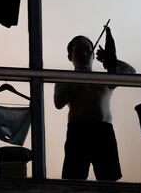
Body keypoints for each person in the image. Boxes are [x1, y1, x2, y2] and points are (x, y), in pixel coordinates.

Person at [54, 27, 135, 181]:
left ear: (93, 54)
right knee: (73, 182)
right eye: (78, 50)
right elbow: (58, 103)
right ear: (69, 56)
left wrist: (112, 60)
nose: (84, 54)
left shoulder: (105, 78)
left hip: (103, 131)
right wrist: (77, 79)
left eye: (88, 50)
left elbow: (132, 73)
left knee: (108, 182)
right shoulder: (63, 79)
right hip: (77, 132)